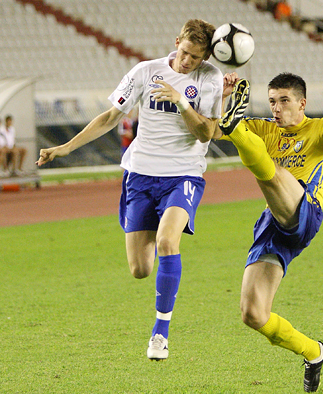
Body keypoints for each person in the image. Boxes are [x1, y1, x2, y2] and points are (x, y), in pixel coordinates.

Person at [36, 19, 223, 361]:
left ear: (206, 56)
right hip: (140, 174)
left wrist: (182, 102)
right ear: (176, 40)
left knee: (168, 240)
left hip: (183, 175)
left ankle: (160, 334)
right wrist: (65, 147)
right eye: (184, 53)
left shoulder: (209, 79)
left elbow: (206, 133)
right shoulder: (144, 72)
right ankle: (164, 269)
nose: (187, 62)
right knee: (140, 269)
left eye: (195, 57)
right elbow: (110, 116)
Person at [214, 72, 323, 392]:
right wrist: (222, 97)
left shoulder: (322, 128)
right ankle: (314, 352)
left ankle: (239, 130)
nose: (276, 108)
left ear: (302, 103)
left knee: (270, 173)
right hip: (272, 224)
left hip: (305, 211)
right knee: (253, 313)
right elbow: (214, 130)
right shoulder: (264, 128)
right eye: (272, 101)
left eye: (284, 101)